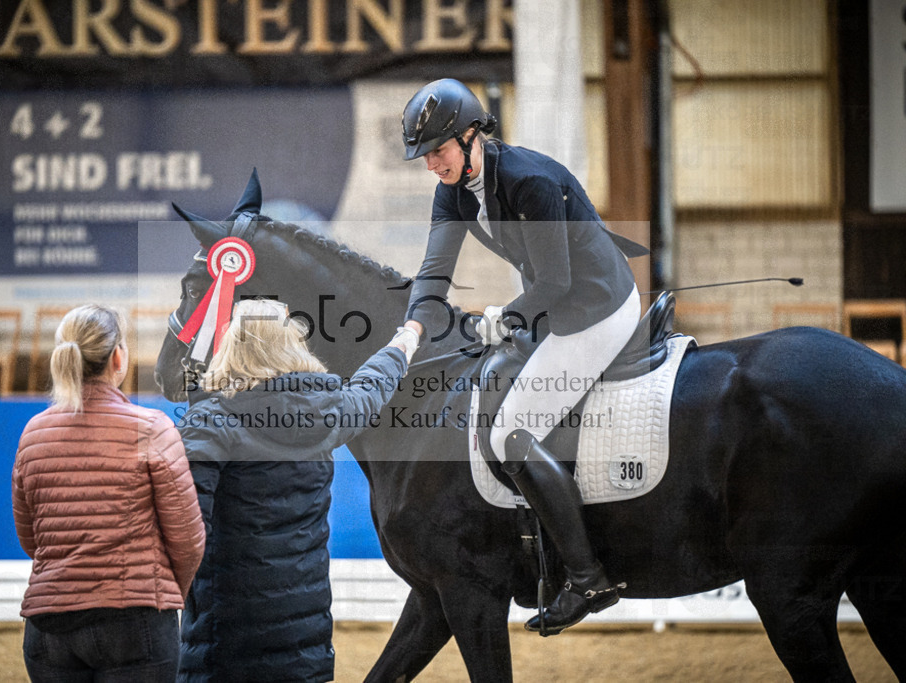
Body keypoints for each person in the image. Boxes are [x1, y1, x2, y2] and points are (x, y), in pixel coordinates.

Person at [400, 78, 649, 634]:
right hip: (551, 309)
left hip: (596, 309)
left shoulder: (530, 181)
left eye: (437, 151)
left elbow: (557, 282)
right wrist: (411, 329)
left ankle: (588, 578)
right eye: (424, 156)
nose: (430, 165)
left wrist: (503, 316)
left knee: (509, 431)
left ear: (471, 137)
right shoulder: (454, 187)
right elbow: (435, 269)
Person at [177, 298, 417, 682]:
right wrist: (404, 342)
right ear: (292, 343)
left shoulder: (210, 422)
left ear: (233, 346)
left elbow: (185, 530)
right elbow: (371, 387)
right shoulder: (330, 410)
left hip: (222, 640)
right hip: (304, 643)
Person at [12, 304, 206, 682]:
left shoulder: (32, 433)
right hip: (136, 623)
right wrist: (162, 596)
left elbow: (31, 539)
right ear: (118, 357)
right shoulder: (152, 428)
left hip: (49, 626)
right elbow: (188, 540)